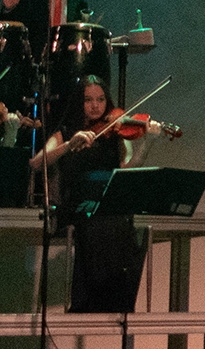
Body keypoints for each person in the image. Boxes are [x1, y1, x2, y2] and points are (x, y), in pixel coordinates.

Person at [30, 76, 153, 314]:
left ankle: (117, 302)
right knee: (99, 224)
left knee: (122, 223)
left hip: (106, 205)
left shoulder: (114, 133)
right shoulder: (66, 132)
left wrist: (148, 144)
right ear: (79, 102)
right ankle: (92, 301)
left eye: (100, 99)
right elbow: (36, 163)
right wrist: (69, 145)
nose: (95, 106)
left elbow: (127, 169)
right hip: (76, 205)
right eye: (88, 100)